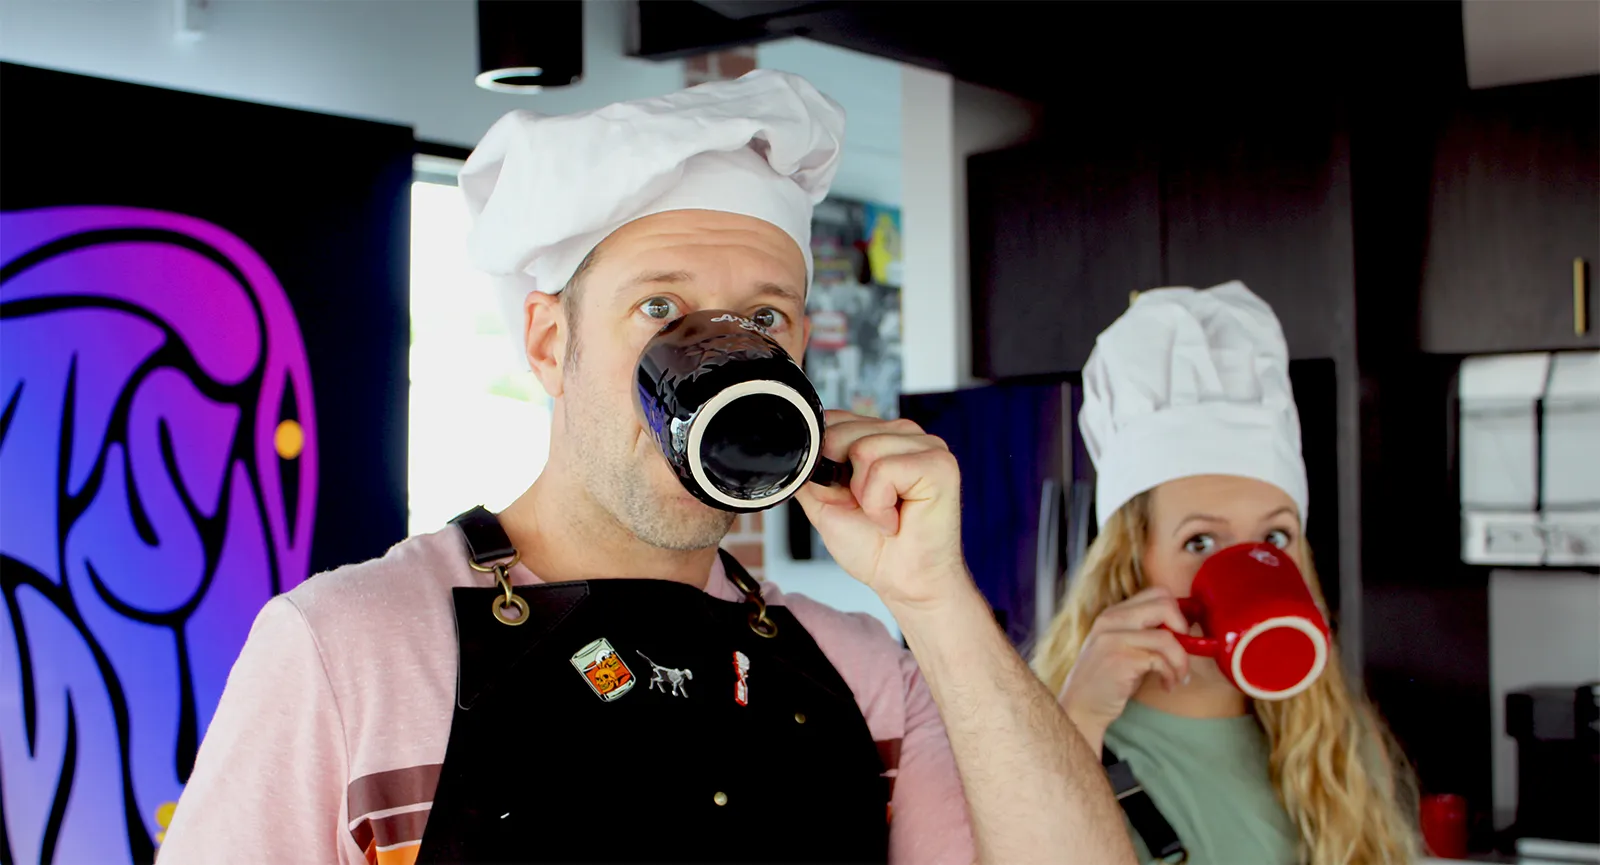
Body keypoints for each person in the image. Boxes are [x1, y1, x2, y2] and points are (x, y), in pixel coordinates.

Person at [158, 71, 1133, 865]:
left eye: (763, 319)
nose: (722, 355)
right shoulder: (343, 650)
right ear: (548, 343)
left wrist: (936, 599)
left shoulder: (864, 669)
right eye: (659, 310)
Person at [1031, 282, 1419, 865]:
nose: (1246, 564)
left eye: (1275, 536)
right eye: (1201, 541)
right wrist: (1078, 720)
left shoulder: (1336, 746)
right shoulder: (1067, 742)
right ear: (1134, 558)